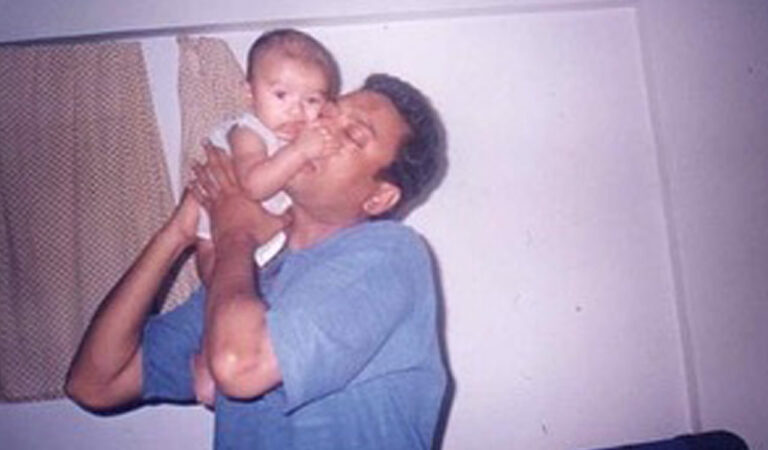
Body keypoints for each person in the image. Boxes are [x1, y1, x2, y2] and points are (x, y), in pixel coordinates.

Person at [66, 73, 447, 450]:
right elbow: (95, 384)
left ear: (379, 198)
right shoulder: (247, 277)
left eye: (353, 135)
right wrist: (176, 234)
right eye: (327, 113)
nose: (321, 129)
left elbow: (240, 367)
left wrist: (234, 234)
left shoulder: (390, 255)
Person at [195, 28, 341, 275]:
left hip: (270, 239)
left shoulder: (300, 133)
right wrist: (299, 151)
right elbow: (254, 186)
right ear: (250, 93)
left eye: (312, 100)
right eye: (281, 95)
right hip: (218, 242)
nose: (296, 111)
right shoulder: (248, 132)